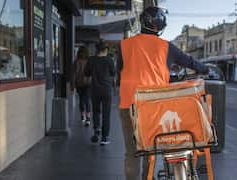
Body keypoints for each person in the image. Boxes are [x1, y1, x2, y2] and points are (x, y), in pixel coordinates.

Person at [117, 6, 212, 180]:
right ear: (160, 26)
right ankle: (148, 176)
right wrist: (206, 69)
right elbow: (190, 61)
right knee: (150, 149)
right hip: (154, 107)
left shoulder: (124, 45)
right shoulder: (166, 47)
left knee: (132, 153)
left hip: (128, 105)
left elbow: (119, 73)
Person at [85, 40, 115, 145]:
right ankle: (104, 138)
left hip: (94, 90)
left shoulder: (91, 60)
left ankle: (97, 129)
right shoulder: (109, 60)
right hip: (106, 90)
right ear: (106, 50)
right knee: (106, 114)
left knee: (96, 111)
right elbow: (113, 72)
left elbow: (86, 73)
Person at [73, 46, 91, 126]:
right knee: (87, 100)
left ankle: (82, 115)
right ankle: (88, 118)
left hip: (79, 84)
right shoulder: (89, 61)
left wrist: (72, 86)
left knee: (81, 100)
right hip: (88, 83)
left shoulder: (76, 62)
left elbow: (73, 75)